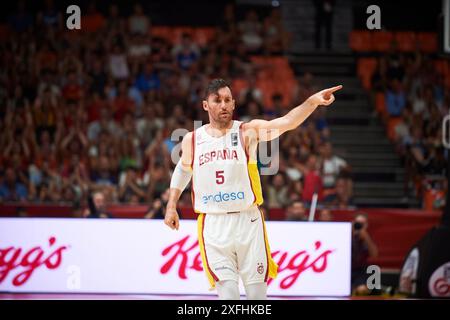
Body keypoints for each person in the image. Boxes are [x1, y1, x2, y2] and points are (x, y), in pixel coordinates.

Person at [164, 78, 342, 300]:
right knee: (228, 298)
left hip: (248, 221)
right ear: (205, 105)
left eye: (228, 100)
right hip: (213, 223)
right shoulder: (192, 139)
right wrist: (171, 206)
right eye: (217, 100)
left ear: (234, 103)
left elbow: (286, 122)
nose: (223, 105)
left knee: (257, 298)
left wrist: (312, 102)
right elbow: (183, 170)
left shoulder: (248, 131)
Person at [351, 212, 379, 295]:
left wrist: (366, 238)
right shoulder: (347, 235)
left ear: (366, 225)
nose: (359, 226)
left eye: (362, 224)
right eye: (357, 223)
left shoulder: (367, 238)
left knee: (362, 290)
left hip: (361, 271)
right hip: (346, 270)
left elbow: (374, 255)